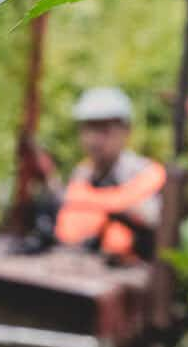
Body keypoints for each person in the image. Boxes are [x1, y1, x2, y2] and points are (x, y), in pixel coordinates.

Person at [53, 87, 166, 262]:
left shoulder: (144, 174)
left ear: (126, 131)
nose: (93, 139)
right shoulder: (83, 174)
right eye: (88, 129)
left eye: (104, 129)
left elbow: (154, 225)